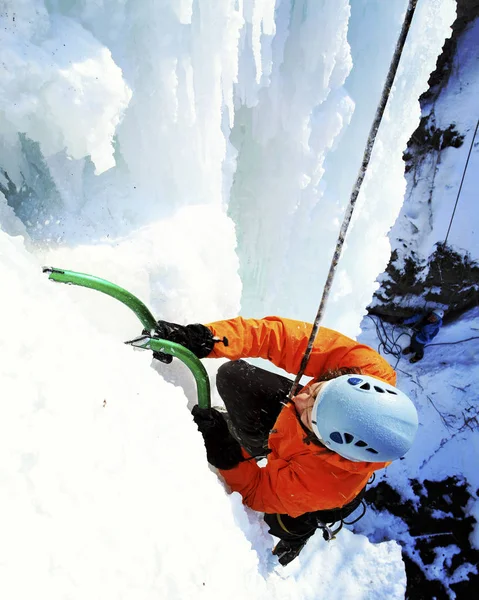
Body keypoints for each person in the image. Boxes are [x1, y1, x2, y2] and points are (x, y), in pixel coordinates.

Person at [154, 316, 419, 565]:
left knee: (281, 521)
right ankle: (254, 440)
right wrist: (211, 337)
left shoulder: (320, 484)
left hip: (320, 490)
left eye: (310, 412)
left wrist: (223, 448)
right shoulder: (367, 370)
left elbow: (256, 492)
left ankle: (298, 536)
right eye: (317, 390)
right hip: (289, 437)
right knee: (233, 376)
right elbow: (280, 339)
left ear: (327, 442)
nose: (299, 398)